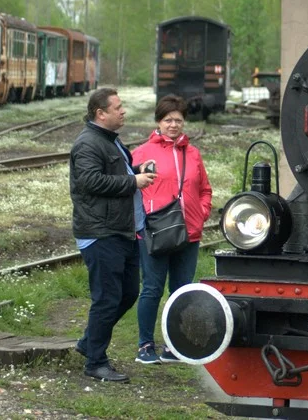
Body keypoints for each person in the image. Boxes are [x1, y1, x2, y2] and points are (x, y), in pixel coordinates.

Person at [70, 88, 156, 383]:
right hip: (101, 232)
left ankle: (89, 342)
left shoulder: (110, 140)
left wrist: (135, 170)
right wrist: (133, 181)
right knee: (107, 298)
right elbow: (90, 181)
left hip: (122, 230)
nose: (123, 111)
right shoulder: (87, 143)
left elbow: (111, 174)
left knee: (129, 292)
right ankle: (96, 361)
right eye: (118, 107)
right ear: (100, 113)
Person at [131, 95, 213, 364]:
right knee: (152, 289)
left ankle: (173, 345)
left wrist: (200, 214)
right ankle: (145, 345)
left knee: (182, 290)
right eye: (168, 120)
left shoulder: (193, 153)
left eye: (178, 120)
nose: (173, 125)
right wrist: (140, 223)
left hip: (189, 233)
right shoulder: (143, 152)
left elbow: (204, 189)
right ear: (159, 121)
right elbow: (131, 190)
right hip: (155, 232)